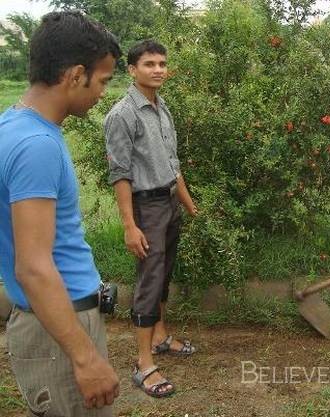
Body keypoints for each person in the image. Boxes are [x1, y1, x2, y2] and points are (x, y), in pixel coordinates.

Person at [0, 11, 121, 416]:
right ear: (75, 75)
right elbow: (33, 266)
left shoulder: (11, 128)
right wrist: (85, 359)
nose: (103, 93)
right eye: (103, 81)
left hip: (52, 323)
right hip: (59, 328)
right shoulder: (37, 145)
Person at [104, 39, 198, 398]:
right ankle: (143, 365)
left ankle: (160, 337)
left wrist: (188, 203)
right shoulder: (122, 114)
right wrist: (130, 226)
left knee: (163, 274)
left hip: (169, 202)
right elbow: (121, 175)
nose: (158, 69)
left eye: (161, 63)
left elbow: (173, 164)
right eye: (149, 64)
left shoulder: (162, 108)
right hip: (146, 208)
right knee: (148, 280)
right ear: (131, 70)